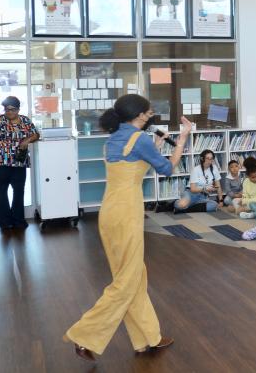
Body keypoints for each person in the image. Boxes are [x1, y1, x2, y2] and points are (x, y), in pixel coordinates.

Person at [65, 95, 192, 362]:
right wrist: (181, 141)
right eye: (148, 114)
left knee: (134, 275)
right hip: (126, 213)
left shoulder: (114, 138)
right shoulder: (141, 140)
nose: (149, 117)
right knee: (125, 281)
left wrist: (154, 146)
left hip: (109, 211)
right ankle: (84, 335)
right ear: (138, 116)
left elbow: (132, 165)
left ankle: (148, 338)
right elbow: (168, 168)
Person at [0, 96, 39, 231]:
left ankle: (18, 221)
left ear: (18, 109)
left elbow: (36, 135)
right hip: (2, 163)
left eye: (12, 109)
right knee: (1, 192)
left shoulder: (25, 120)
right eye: (7, 109)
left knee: (19, 192)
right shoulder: (0, 120)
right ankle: (5, 222)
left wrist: (27, 141)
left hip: (19, 163)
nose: (9, 112)